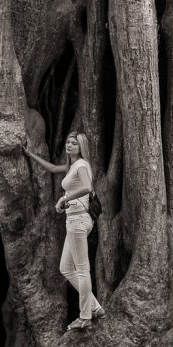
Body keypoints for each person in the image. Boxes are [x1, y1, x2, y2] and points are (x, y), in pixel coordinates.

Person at [23, 131, 105, 331]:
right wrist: (29, 154)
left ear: (81, 147)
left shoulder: (82, 165)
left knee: (82, 269)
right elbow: (52, 168)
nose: (69, 145)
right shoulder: (72, 166)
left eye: (74, 143)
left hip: (78, 221)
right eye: (68, 142)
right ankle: (95, 308)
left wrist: (64, 199)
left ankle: (85, 317)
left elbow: (87, 187)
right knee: (66, 268)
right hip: (73, 220)